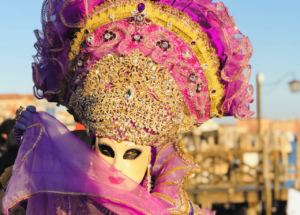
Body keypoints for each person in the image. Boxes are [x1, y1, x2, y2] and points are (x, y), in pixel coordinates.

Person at [2, 0, 254, 214]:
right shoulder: (63, 204)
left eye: (132, 153)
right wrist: (30, 150)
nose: (116, 168)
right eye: (107, 150)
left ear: (150, 159)